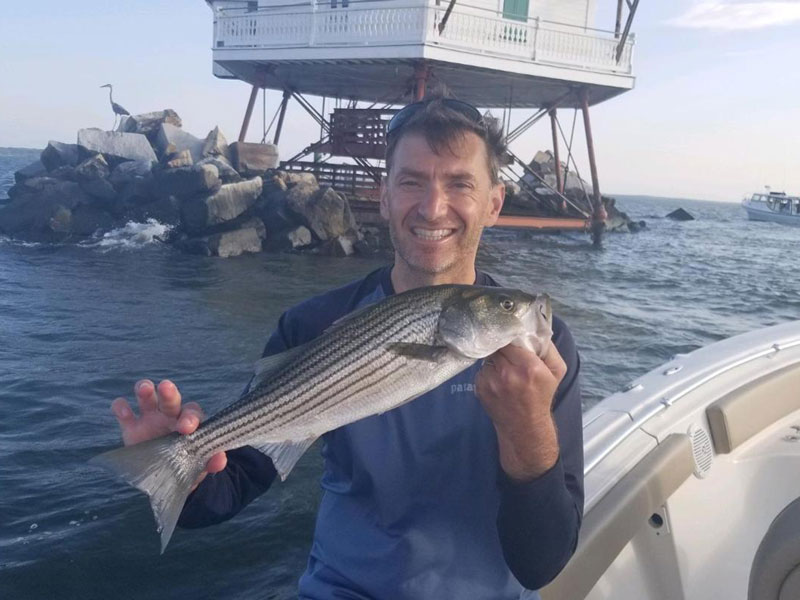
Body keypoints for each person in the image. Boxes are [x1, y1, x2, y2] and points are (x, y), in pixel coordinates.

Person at [110, 98, 584, 599]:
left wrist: (527, 428)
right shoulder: (311, 324)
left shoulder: (545, 355)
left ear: (494, 203)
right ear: (383, 198)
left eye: (460, 184)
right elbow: (235, 484)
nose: (432, 207)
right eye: (411, 182)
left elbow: (542, 564)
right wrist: (180, 466)